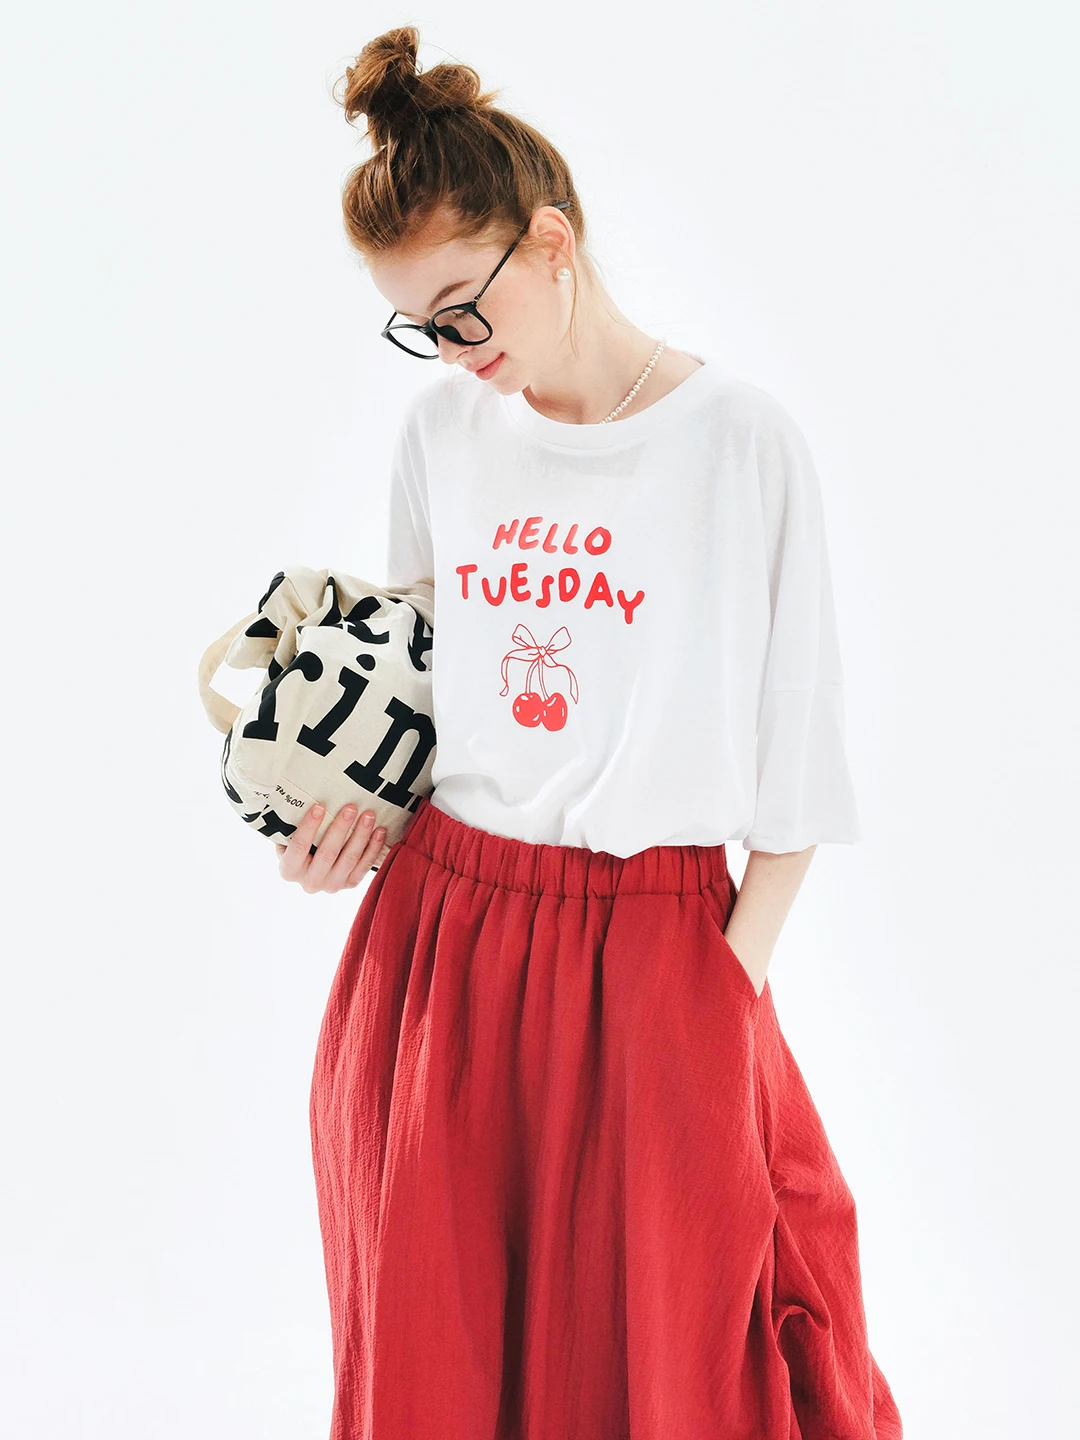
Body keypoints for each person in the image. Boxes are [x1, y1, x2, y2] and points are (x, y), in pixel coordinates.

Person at [281, 24, 904, 1440]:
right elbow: (416, 709)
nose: (454, 354)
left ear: (551, 243)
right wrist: (340, 824)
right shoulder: (441, 439)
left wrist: (721, 985)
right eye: (420, 328)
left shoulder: (739, 442)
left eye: (462, 310)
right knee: (435, 1373)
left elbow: (797, 764)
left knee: (692, 1365)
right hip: (439, 948)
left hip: (658, 943)